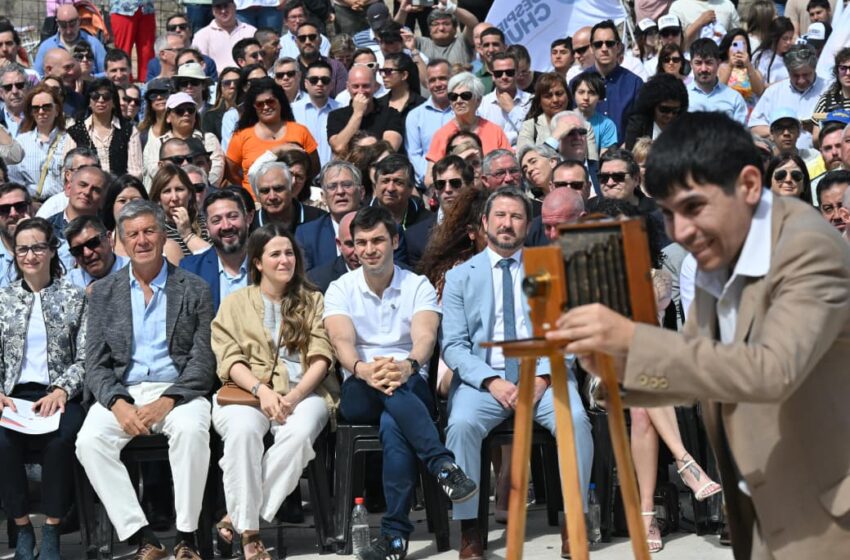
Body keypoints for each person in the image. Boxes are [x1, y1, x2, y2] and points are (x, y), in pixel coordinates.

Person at [547, 110, 850, 560]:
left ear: (748, 185)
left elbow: (774, 369)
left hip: (829, 515)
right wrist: (613, 367)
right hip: (763, 505)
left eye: (693, 207)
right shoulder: (713, 251)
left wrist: (633, 339)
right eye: (668, 214)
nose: (681, 230)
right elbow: (698, 367)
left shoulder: (809, 247)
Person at [441, 186, 593, 559]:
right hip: (484, 380)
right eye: (501, 216)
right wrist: (492, 382)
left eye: (517, 217)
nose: (507, 224)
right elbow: (454, 346)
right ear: (484, 223)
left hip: (544, 375)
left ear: (528, 225)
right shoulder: (461, 277)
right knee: (460, 426)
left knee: (575, 420)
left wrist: (540, 380)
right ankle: (471, 532)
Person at [323, 205, 478, 560]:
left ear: (394, 240)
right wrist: (364, 370)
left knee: (395, 424)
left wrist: (407, 366)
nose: (369, 249)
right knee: (391, 400)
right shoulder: (340, 288)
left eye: (377, 240)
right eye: (360, 242)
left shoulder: (417, 285)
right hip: (359, 386)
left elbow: (425, 337)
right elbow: (341, 343)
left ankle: (395, 535)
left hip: (408, 381)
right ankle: (442, 465)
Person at [76, 199, 216, 560]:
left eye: (149, 231)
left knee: (191, 431)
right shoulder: (104, 292)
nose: (141, 240)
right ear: (120, 241)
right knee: (89, 441)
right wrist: (117, 402)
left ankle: (186, 536)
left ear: (162, 233)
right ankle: (143, 537)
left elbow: (203, 359)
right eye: (132, 234)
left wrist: (168, 400)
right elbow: (96, 363)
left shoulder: (194, 287)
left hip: (178, 390)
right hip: (125, 390)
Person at [211, 223, 338, 559]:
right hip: (245, 391)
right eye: (276, 254)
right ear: (257, 262)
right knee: (241, 433)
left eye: (289, 253)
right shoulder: (235, 303)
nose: (285, 260)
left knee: (298, 437)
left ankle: (236, 522)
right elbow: (229, 358)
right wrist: (262, 391)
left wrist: (293, 398)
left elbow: (322, 357)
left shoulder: (313, 300)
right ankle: (250, 533)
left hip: (303, 391)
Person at [0, 217, 87, 560]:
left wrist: (63, 390)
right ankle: (22, 526)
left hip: (58, 395)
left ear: (52, 250)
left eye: (38, 247)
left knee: (61, 440)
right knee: (2, 443)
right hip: (13, 395)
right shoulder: (3, 300)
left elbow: (85, 358)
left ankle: (51, 527)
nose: (30, 255)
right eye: (23, 248)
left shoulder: (75, 298)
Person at [227, 78, 319, 194]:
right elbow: (231, 172)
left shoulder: (300, 131)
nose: (266, 107)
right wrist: (250, 188)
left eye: (270, 102)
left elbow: (314, 167)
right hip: (255, 203)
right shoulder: (241, 136)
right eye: (260, 104)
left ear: (280, 101)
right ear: (253, 107)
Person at [425, 72, 510, 185]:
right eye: (453, 97)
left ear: (478, 100)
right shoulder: (442, 135)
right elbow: (430, 178)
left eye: (465, 96)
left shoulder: (495, 131)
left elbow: (508, 166)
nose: (458, 101)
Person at [571, 20, 643, 144]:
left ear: (618, 47)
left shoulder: (635, 83)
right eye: (598, 44)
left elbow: (640, 125)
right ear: (592, 48)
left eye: (609, 44)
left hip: (624, 156)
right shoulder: (576, 84)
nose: (604, 49)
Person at [295, 160, 371, 270]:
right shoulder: (306, 235)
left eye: (347, 185)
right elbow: (306, 281)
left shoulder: (383, 227)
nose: (340, 191)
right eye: (332, 186)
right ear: (323, 197)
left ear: (361, 192)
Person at [7, 85, 76, 203]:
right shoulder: (21, 142)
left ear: (57, 110)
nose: (41, 112)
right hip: (31, 205)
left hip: (63, 203)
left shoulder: (71, 140)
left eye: (47, 107)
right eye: (35, 108)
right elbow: (14, 179)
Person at [143, 92, 225, 188]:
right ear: (168, 117)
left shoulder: (208, 139)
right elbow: (156, 172)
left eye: (190, 110)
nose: (186, 114)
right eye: (179, 111)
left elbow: (216, 171)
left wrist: (198, 186)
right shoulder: (156, 143)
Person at [67, 78, 142, 177]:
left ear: (114, 102)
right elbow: (68, 171)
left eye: (106, 97)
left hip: (120, 190)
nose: (101, 100)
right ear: (89, 101)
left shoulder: (129, 130)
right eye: (95, 96)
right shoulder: (75, 131)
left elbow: (136, 173)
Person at [327, 64, 404, 156]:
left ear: (375, 86)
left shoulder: (391, 114)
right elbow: (339, 147)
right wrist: (358, 113)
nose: (361, 91)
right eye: (355, 86)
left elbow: (388, 151)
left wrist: (355, 154)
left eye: (365, 86)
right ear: (348, 87)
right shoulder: (336, 116)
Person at [405, 59, 453, 185]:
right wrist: (431, 180)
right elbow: (414, 154)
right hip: (428, 185)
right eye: (432, 80)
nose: (437, 84)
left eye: (442, 78)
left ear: (452, 79)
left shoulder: (464, 111)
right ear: (426, 84)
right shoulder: (415, 116)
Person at [150, 163, 212, 259]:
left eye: (179, 189)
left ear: (190, 193)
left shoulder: (206, 224)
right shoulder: (154, 230)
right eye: (167, 191)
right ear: (158, 199)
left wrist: (187, 234)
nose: (174, 198)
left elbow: (215, 260)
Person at [250, 161, 327, 230]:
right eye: (265, 191)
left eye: (278, 189)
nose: (272, 197)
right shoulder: (249, 225)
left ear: (291, 189)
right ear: (258, 195)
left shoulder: (319, 219)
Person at [34, 4, 108, 77]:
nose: (68, 31)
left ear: (79, 21)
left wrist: (89, 78)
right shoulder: (46, 47)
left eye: (72, 24)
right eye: (63, 26)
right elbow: (37, 77)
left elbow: (107, 73)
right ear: (57, 23)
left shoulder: (94, 44)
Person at [476, 53, 532, 147]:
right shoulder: (481, 104)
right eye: (499, 73)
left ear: (517, 73)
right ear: (493, 76)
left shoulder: (530, 101)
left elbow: (533, 134)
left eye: (509, 72)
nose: (504, 77)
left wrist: (512, 110)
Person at [687, 38, 748, 123]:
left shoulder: (735, 98)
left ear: (718, 63)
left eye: (709, 63)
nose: (704, 69)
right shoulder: (683, 97)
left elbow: (741, 133)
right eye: (698, 63)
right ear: (691, 64)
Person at [624, 73, 689, 150]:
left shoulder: (685, 125)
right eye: (664, 109)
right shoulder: (638, 125)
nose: (670, 115)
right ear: (652, 105)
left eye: (675, 111)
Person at [45, 164, 106, 241]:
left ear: (102, 199)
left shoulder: (109, 229)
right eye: (83, 185)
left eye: (95, 190)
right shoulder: (45, 229)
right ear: (68, 188)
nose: (87, 192)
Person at [65, 215, 126, 289]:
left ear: (109, 239)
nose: (87, 253)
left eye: (92, 243)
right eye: (77, 250)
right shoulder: (71, 283)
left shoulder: (135, 271)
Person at [193, 0, 257, 71]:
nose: (223, 11)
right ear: (213, 11)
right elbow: (200, 64)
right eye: (218, 7)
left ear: (234, 6)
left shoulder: (251, 31)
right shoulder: (202, 35)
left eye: (226, 6)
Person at [294, 20, 349, 98]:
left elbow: (342, 100)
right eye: (302, 38)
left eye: (312, 37)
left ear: (320, 40)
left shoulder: (336, 67)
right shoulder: (289, 71)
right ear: (296, 42)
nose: (307, 42)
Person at [717, 29, 765, 116]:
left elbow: (759, 91)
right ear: (728, 48)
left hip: (748, 116)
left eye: (743, 44)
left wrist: (748, 66)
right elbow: (717, 90)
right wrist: (730, 66)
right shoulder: (720, 68)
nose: (739, 49)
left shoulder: (753, 70)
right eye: (735, 45)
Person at [572, 72, 619, 156]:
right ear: (574, 95)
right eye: (581, 92)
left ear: (600, 98)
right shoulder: (561, 119)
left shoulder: (607, 125)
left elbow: (605, 160)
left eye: (592, 93)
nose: (586, 97)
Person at [668, 0, 741, 47]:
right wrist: (699, 23)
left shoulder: (727, 5)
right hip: (689, 63)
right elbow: (673, 45)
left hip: (721, 62)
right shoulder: (678, 7)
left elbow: (738, 39)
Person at [378, 52, 425, 123]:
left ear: (404, 75)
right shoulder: (378, 105)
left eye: (388, 71)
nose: (383, 75)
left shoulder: (422, 105)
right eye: (382, 71)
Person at [812, 48, 850, 132]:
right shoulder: (827, 100)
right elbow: (815, 136)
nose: (848, 73)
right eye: (843, 68)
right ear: (837, 71)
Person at [203, 66, 241, 143]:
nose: (232, 86)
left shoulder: (252, 111)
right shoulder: (210, 117)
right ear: (220, 89)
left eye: (237, 82)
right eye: (227, 83)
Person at [753, 17, 795, 85]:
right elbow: (759, 86)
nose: (789, 42)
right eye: (785, 38)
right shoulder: (761, 56)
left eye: (791, 38)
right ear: (775, 37)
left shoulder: (793, 55)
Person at [0, 64, 29, 138]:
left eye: (19, 85)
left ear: (27, 88)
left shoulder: (39, 116)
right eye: (8, 87)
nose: (14, 91)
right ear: (1, 93)